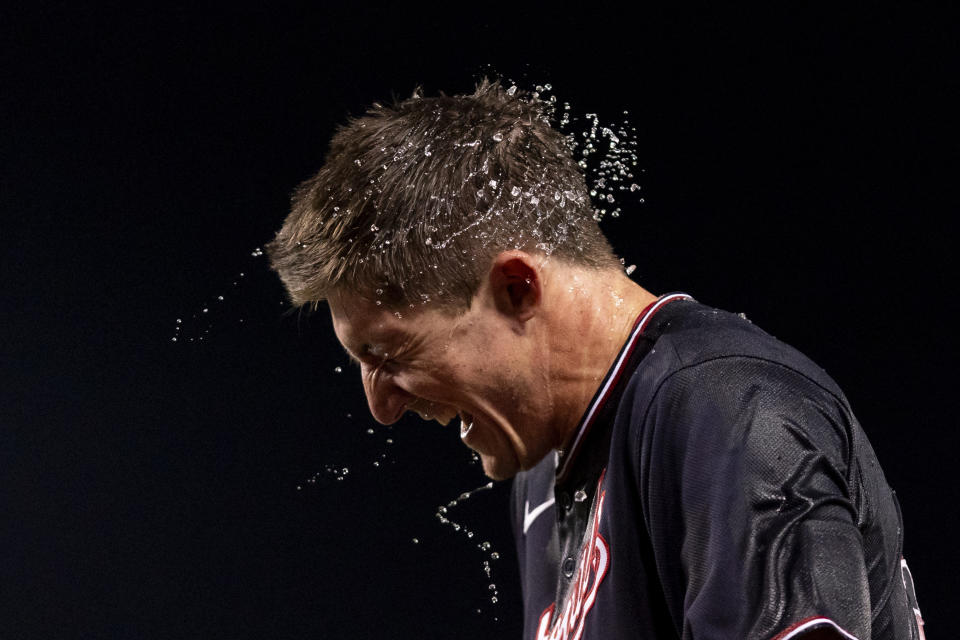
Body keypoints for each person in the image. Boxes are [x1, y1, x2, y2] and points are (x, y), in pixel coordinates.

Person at [265, 80, 925, 639]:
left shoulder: (726, 416)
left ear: (517, 289)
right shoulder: (545, 465)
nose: (380, 407)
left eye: (389, 353)